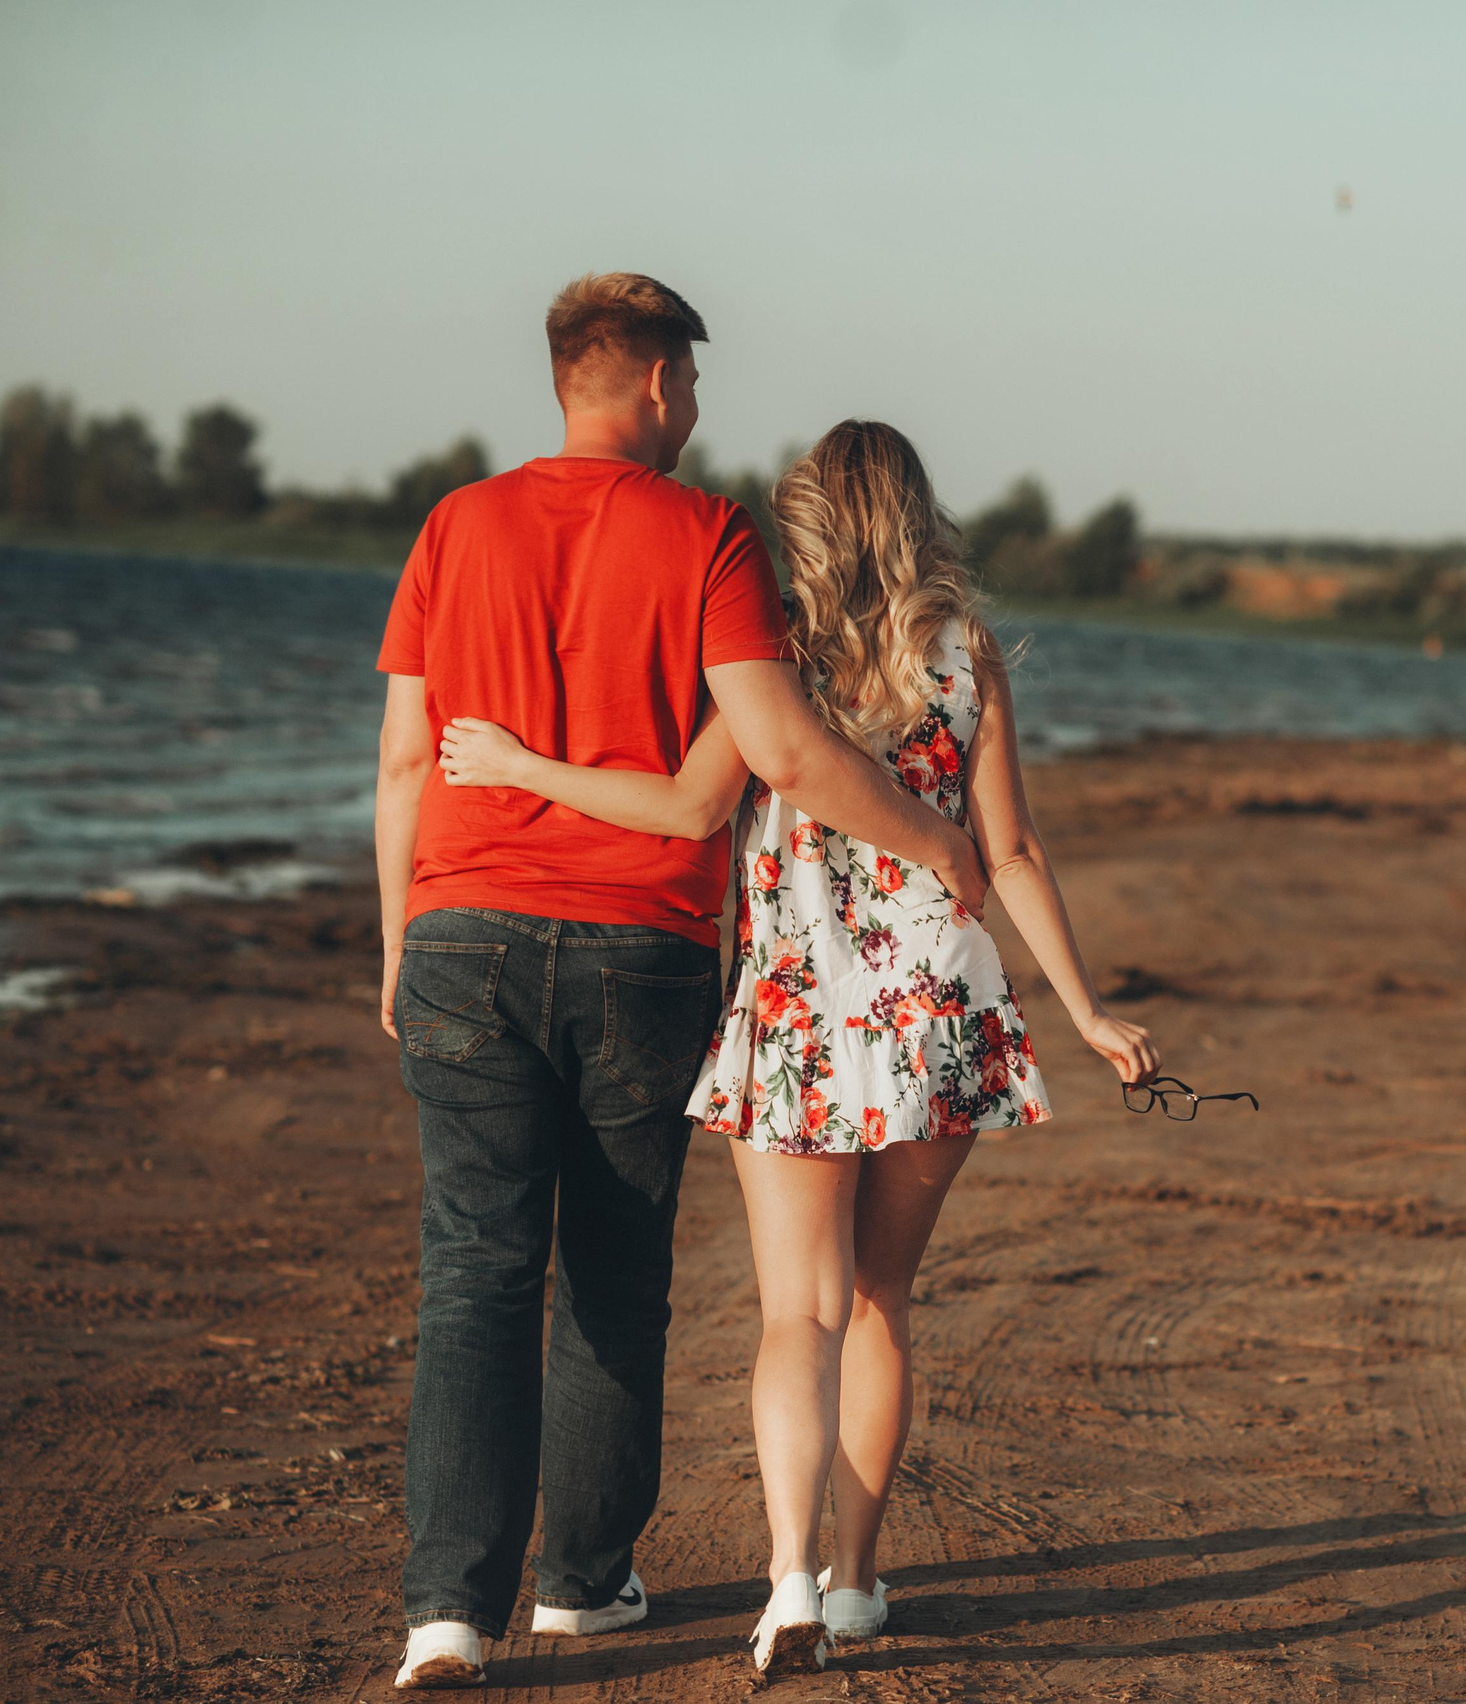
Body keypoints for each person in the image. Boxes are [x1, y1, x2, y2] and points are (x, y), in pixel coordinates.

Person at [435, 419, 1160, 1677]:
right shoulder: (964, 655)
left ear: (809, 521)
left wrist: (516, 764)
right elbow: (1014, 855)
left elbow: (682, 806)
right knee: (882, 1304)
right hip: (934, 1011)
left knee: (799, 1316)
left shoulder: (771, 657)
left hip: (799, 1020)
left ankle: (786, 1585)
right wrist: (1087, 1012)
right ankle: (859, 1579)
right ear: (918, 514)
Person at [373, 277, 987, 1691]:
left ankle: (447, 1618)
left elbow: (407, 757)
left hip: (460, 925)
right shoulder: (707, 533)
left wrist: (397, 942)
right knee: (610, 1269)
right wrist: (935, 841)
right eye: (693, 389)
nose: (698, 413)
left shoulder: (451, 527)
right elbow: (774, 750)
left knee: (474, 1270)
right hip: (641, 951)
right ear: (654, 383)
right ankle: (585, 1588)